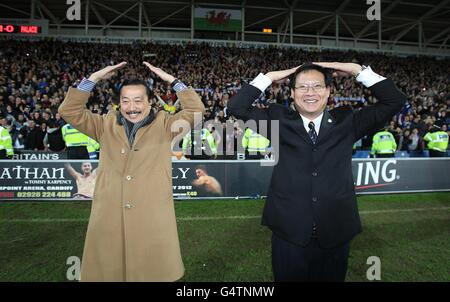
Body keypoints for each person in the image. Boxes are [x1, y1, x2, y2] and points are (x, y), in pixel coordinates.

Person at [227, 62, 406, 281]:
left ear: (328, 91)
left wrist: (357, 71)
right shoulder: (277, 120)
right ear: (292, 93)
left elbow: (395, 101)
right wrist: (269, 77)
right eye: (302, 87)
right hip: (289, 233)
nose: (310, 92)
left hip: (336, 231)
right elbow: (236, 107)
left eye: (317, 86)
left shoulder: (348, 121)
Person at [58, 61, 205, 281]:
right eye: (125, 101)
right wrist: (92, 79)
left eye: (138, 100)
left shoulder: (166, 125)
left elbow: (196, 110)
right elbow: (68, 110)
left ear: (149, 102)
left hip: (151, 213)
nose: (131, 107)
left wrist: (174, 82)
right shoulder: (104, 124)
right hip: (110, 213)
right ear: (119, 103)